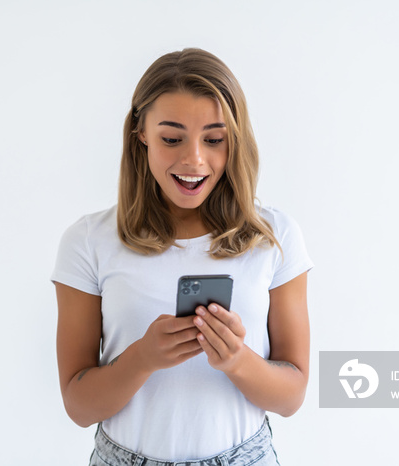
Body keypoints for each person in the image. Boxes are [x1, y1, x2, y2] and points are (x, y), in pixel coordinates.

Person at [52, 48, 313, 465]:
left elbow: (292, 397)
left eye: (214, 140)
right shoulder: (87, 241)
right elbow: (79, 407)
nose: (194, 159)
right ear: (141, 135)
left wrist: (237, 361)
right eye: (172, 138)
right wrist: (141, 359)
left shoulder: (274, 237)